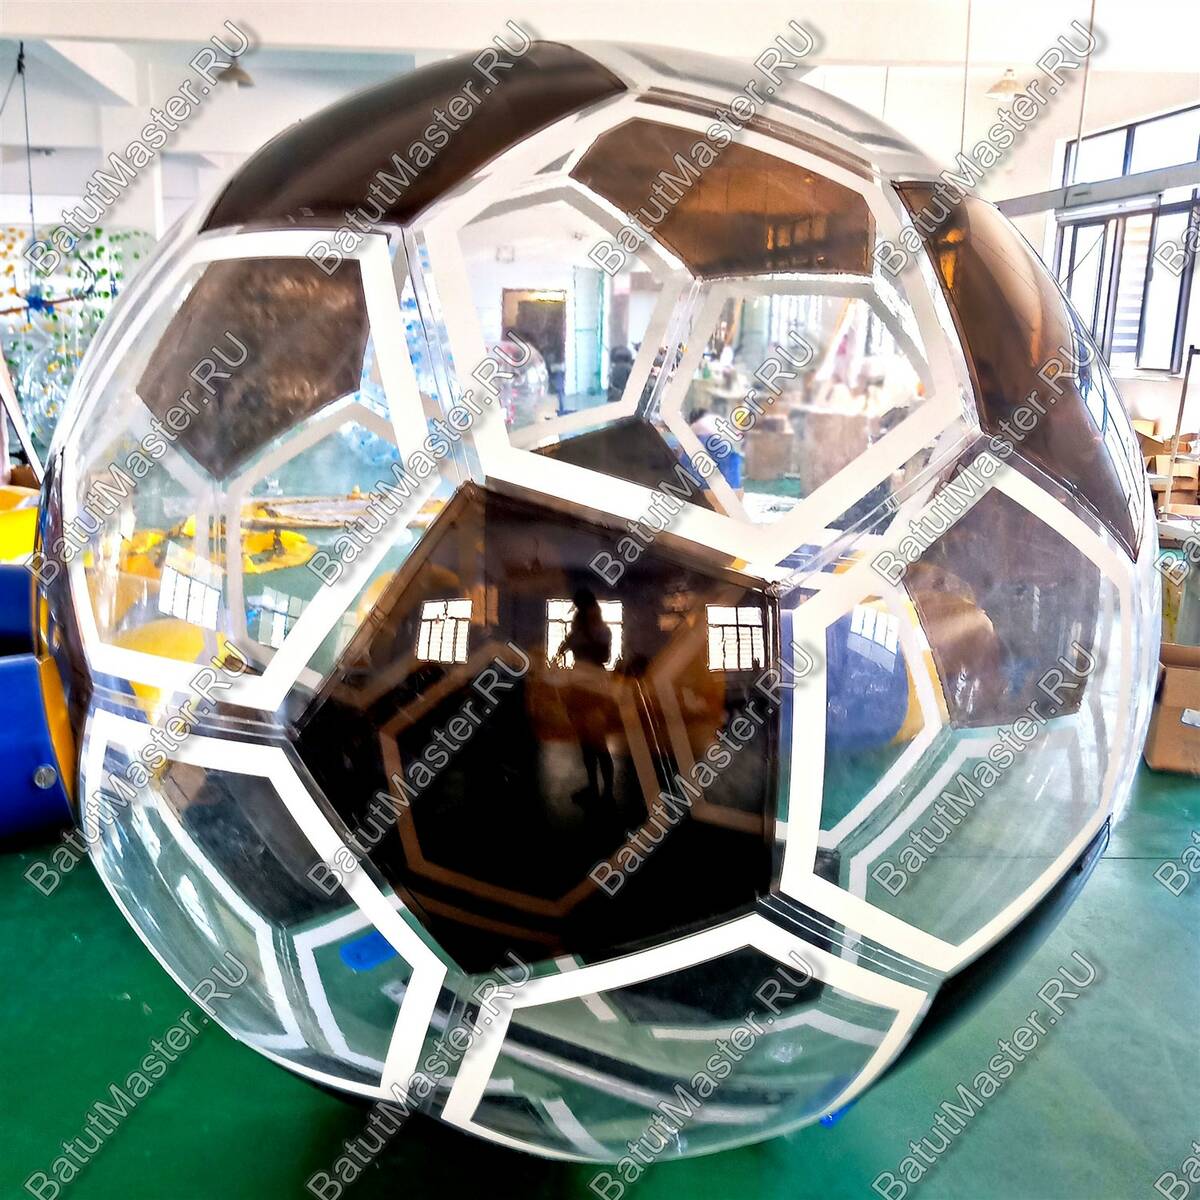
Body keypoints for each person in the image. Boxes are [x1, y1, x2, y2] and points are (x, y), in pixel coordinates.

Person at [555, 587, 615, 807]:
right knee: (586, 744)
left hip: (595, 688)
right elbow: (565, 648)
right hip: (578, 688)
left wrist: (584, 634)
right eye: (578, 608)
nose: (579, 611)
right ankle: (593, 787)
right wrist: (567, 644)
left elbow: (604, 657)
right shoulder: (578, 630)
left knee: (598, 742)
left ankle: (608, 792)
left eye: (582, 607)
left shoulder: (601, 630)